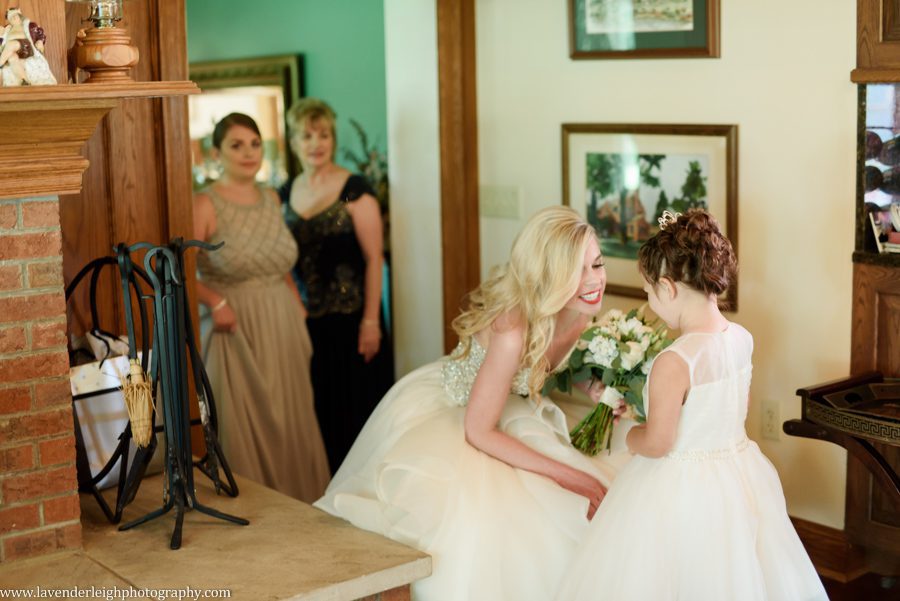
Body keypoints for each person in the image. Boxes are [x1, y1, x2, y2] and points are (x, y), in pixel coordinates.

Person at [314, 206, 630, 601]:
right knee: (485, 524)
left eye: (597, 264)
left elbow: (546, 362)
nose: (594, 280)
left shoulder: (580, 312)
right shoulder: (511, 328)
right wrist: (567, 475)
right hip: (458, 411)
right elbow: (479, 431)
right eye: (577, 270)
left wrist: (596, 390)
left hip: (506, 406)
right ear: (548, 276)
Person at [557, 209, 827, 601]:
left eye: (649, 292)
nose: (650, 302)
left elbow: (659, 442)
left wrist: (628, 433)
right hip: (737, 473)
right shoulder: (741, 338)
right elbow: (735, 407)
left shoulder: (675, 360)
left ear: (668, 288)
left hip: (680, 489)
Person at [194, 112, 330, 503]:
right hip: (234, 325)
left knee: (292, 415)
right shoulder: (205, 203)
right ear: (216, 152)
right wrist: (215, 301)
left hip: (282, 320)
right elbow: (182, 271)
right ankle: (257, 507)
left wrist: (296, 303)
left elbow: (279, 259)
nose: (249, 153)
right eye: (236, 145)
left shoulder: (271, 197)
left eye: (255, 144)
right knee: (247, 421)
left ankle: (302, 500)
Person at [282, 98, 394, 473]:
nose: (316, 143)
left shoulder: (354, 189)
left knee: (357, 410)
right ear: (294, 141)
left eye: (324, 134)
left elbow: (374, 257)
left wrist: (371, 322)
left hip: (353, 322)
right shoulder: (284, 194)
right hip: (306, 322)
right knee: (318, 410)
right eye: (307, 135)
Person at [0, 8, 56, 87]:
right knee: (12, 58)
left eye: (15, 16)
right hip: (13, 51)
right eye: (11, 18)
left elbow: (40, 32)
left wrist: (40, 41)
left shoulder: (29, 25)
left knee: (11, 44)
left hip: (26, 47)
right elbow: (1, 44)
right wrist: (1, 35)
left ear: (20, 16)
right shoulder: (7, 29)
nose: (14, 18)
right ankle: (25, 80)